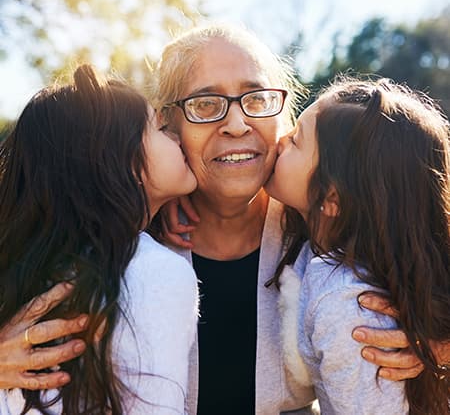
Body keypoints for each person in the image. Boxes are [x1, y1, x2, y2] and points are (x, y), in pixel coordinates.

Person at [150, 23, 440, 414]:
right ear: (168, 124)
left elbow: (426, 240)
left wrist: (436, 344)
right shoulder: (132, 235)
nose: (237, 125)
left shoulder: (332, 224)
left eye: (256, 100)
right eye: (205, 104)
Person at [0, 64, 198, 414]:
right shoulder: (155, 272)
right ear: (121, 161)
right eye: (161, 128)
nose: (178, 137)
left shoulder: (27, 269)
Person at [264, 77, 450, 414]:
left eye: (296, 141)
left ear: (331, 197)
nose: (280, 140)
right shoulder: (324, 254)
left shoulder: (348, 304)